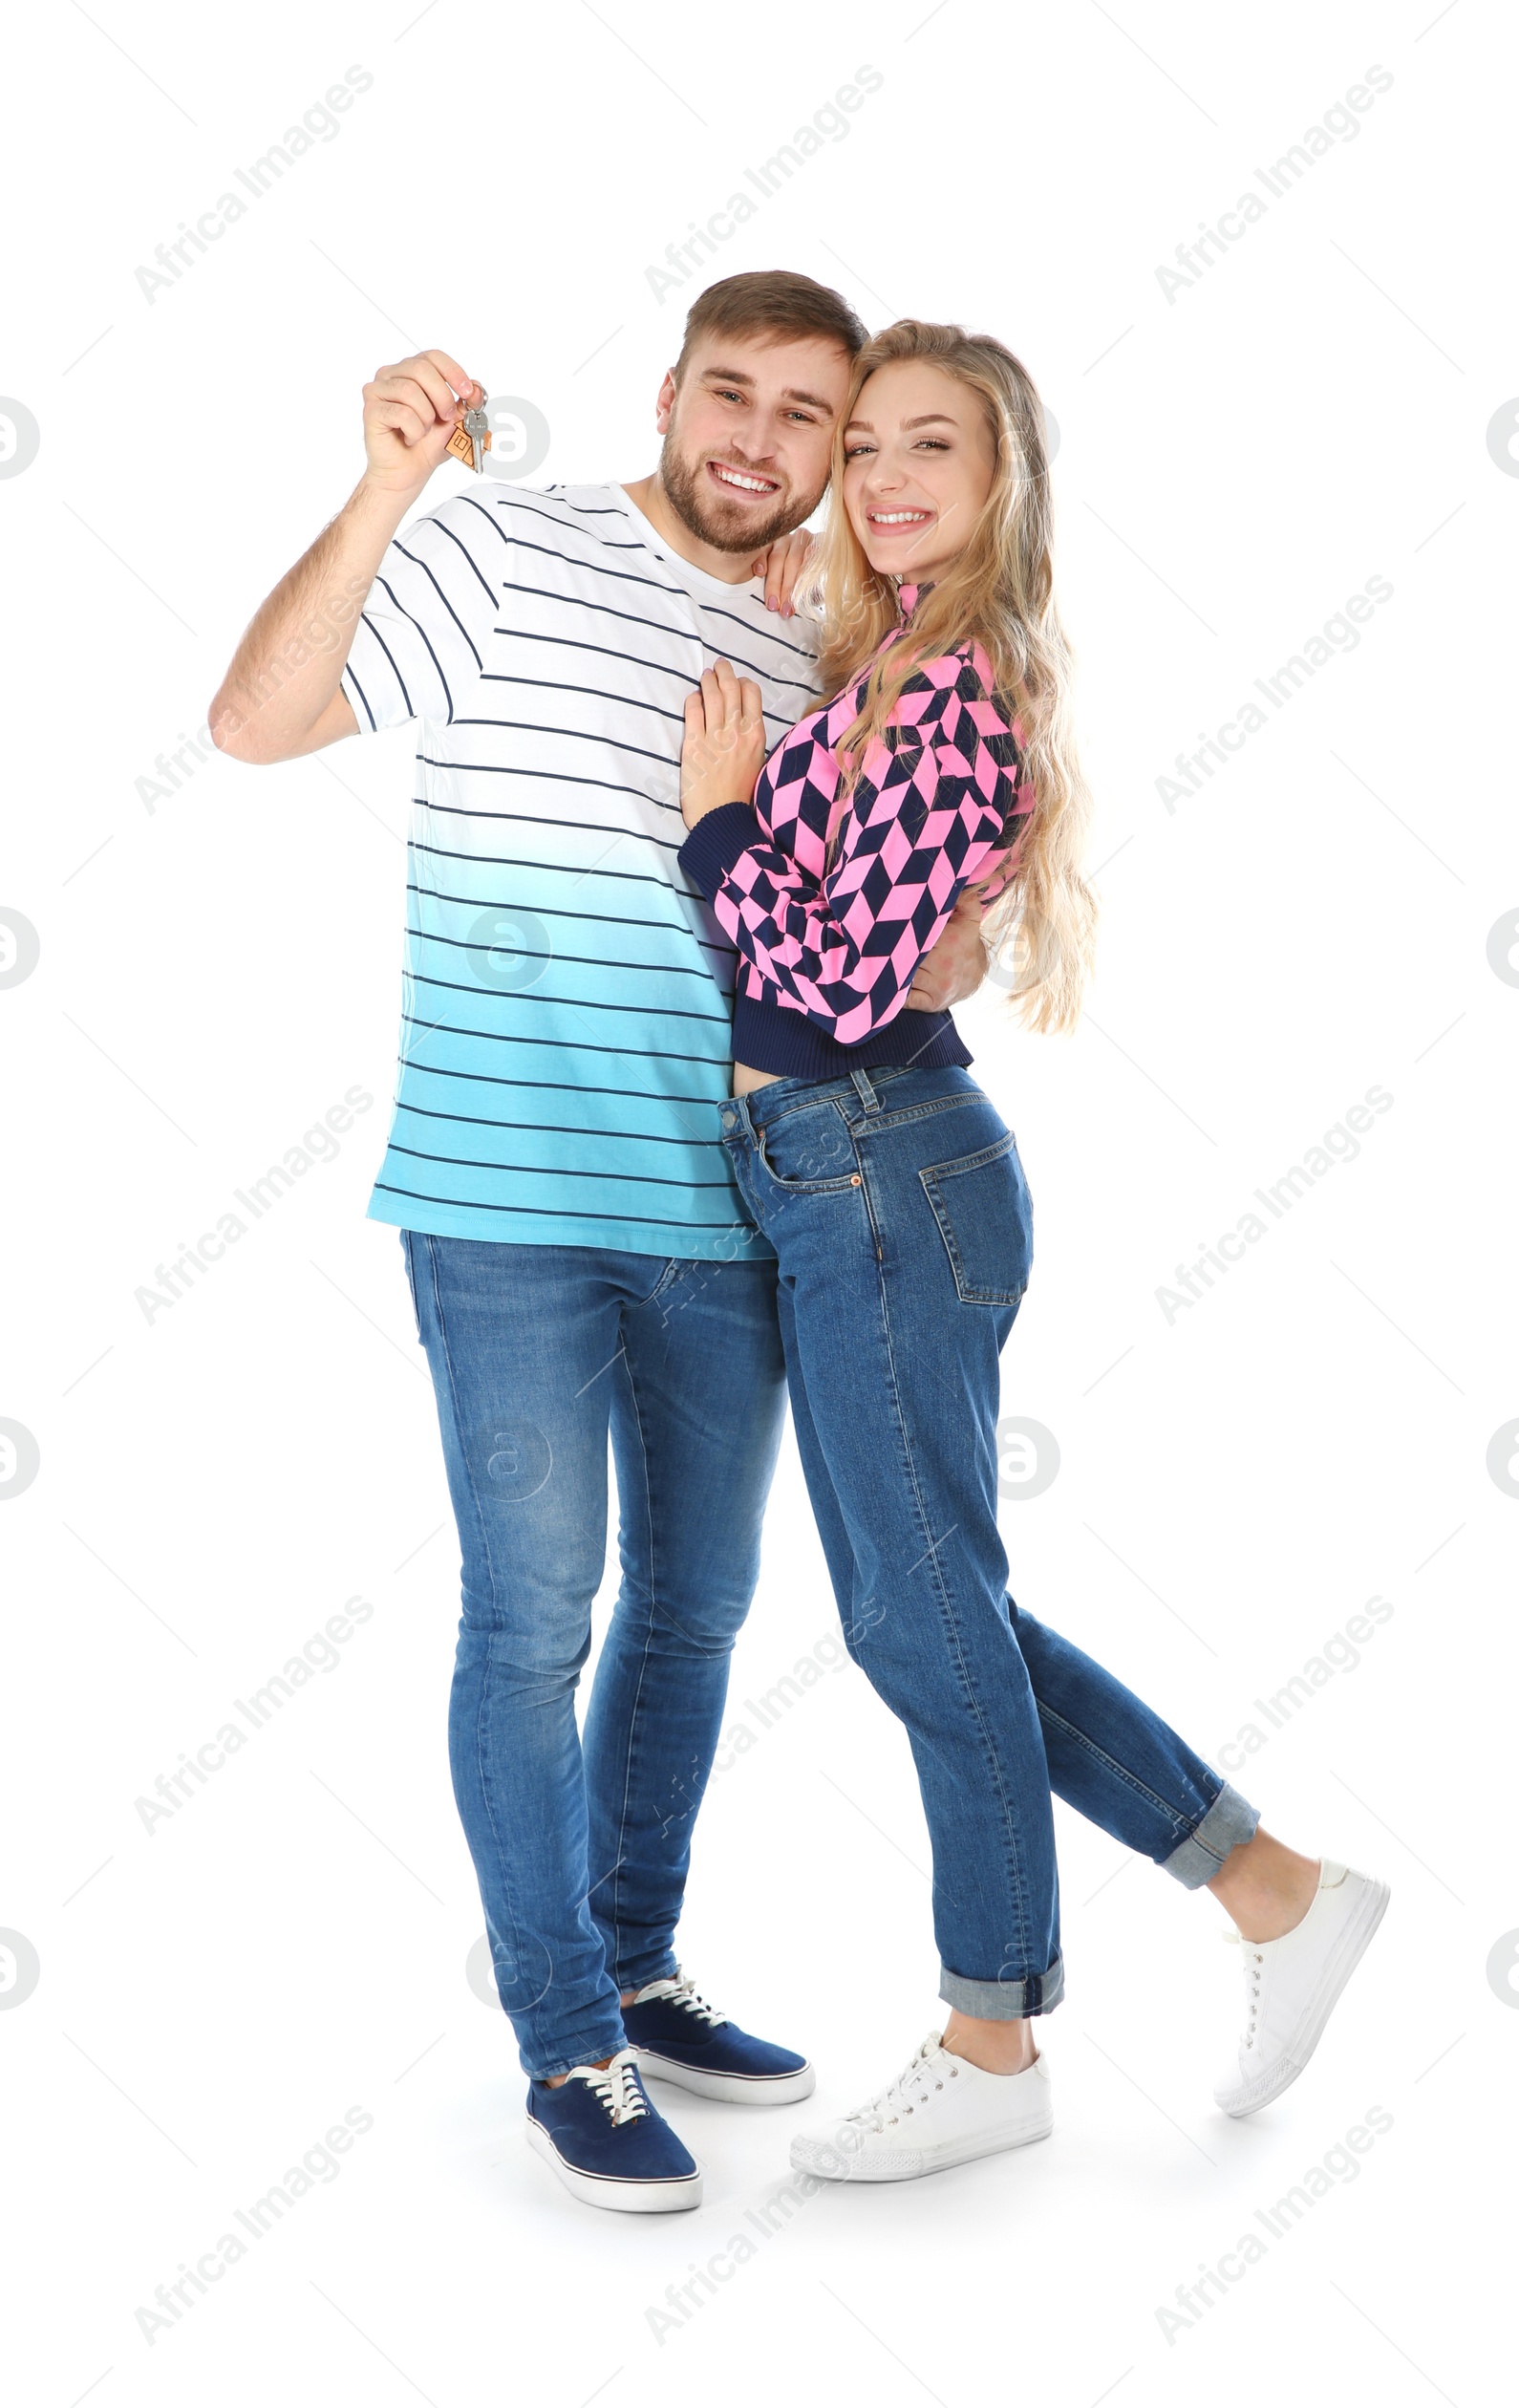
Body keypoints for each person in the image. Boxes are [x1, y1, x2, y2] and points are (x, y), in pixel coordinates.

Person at [208, 270, 996, 2215]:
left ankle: (632, 1963)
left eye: (803, 414)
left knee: (699, 1610)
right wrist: (384, 483)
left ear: (833, 455)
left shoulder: (829, 653)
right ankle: (561, 2031)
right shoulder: (504, 549)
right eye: (727, 393)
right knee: (528, 1615)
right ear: (667, 395)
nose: (754, 436)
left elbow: (864, 947)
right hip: (499, 1199)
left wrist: (956, 921)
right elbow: (251, 723)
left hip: (737, 1204)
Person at [674, 316, 1390, 2185]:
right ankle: (1271, 1889)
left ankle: (989, 2039)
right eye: (868, 449)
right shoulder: (882, 665)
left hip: (879, 1167)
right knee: (937, 1615)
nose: (888, 477)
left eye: (936, 447)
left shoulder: (947, 694)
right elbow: (856, 951)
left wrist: (714, 828)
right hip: (828, 1173)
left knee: (923, 1621)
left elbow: (825, 987)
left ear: (997, 492)